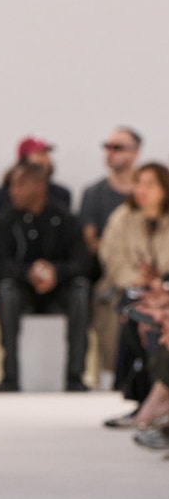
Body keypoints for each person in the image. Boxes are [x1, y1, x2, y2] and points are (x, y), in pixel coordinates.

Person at [0, 160, 90, 391]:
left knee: (81, 290)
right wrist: (28, 273)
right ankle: (9, 377)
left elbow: (83, 262)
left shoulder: (65, 219)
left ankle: (75, 376)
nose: (13, 191)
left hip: (59, 290)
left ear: (40, 187)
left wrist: (56, 272)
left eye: (20, 185)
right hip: (22, 290)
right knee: (6, 292)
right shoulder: (6, 219)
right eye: (12, 186)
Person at [99, 162, 169, 425]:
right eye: (138, 183)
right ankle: (145, 398)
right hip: (134, 289)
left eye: (150, 184)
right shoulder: (123, 217)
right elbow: (113, 257)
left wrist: (162, 286)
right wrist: (139, 281)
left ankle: (156, 401)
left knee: (154, 323)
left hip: (165, 291)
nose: (142, 190)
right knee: (132, 313)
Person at [80, 128, 142, 386]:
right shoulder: (95, 193)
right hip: (111, 273)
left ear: (135, 153)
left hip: (151, 271)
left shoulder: (149, 194)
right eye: (107, 147)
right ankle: (114, 374)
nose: (110, 153)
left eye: (118, 147)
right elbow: (94, 243)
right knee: (113, 302)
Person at [0, 136, 72, 219]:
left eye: (46, 154)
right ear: (24, 159)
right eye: (40, 154)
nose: (46, 159)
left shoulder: (61, 194)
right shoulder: (4, 195)